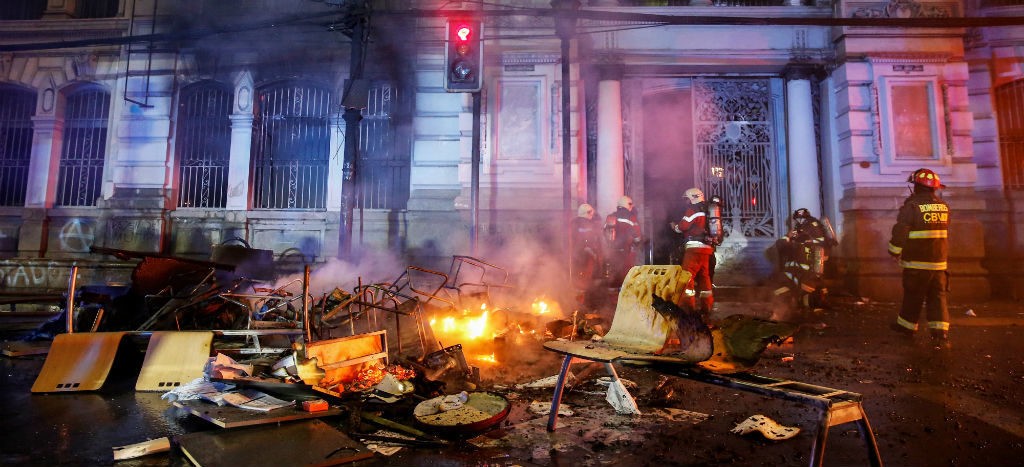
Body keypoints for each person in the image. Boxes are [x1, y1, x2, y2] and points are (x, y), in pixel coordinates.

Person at [887, 168, 951, 350]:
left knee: (913, 295)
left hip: (917, 262)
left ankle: (907, 327)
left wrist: (894, 251)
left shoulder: (912, 206)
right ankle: (940, 332)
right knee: (937, 297)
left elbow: (901, 231)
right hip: (939, 263)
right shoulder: (943, 206)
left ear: (917, 187)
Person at [775, 208, 833, 312]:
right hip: (798, 269)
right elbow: (780, 244)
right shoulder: (798, 231)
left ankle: (808, 305)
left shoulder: (812, 228)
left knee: (809, 291)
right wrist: (789, 237)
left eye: (799, 218)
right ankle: (794, 303)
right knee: (782, 285)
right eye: (797, 219)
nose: (798, 221)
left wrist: (807, 240)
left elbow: (820, 246)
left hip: (808, 268)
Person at [670, 188, 715, 319]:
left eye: (687, 199)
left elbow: (683, 226)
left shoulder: (693, 210)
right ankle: (707, 306)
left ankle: (688, 307)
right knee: (704, 277)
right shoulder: (708, 211)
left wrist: (675, 227)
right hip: (706, 248)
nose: (686, 202)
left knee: (687, 277)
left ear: (693, 198)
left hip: (694, 249)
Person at [570, 203, 604, 310]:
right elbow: (589, 242)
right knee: (584, 282)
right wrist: (594, 254)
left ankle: (577, 306)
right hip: (586, 258)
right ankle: (581, 307)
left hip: (576, 258)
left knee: (578, 282)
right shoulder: (587, 225)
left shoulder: (573, 223)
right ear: (588, 213)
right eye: (591, 213)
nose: (592, 216)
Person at [604, 196, 642, 289]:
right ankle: (623, 294)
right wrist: (637, 242)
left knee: (613, 272)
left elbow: (604, 231)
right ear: (628, 204)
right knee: (626, 273)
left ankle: (611, 294)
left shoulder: (611, 216)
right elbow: (637, 235)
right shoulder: (631, 217)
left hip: (612, 251)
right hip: (626, 251)